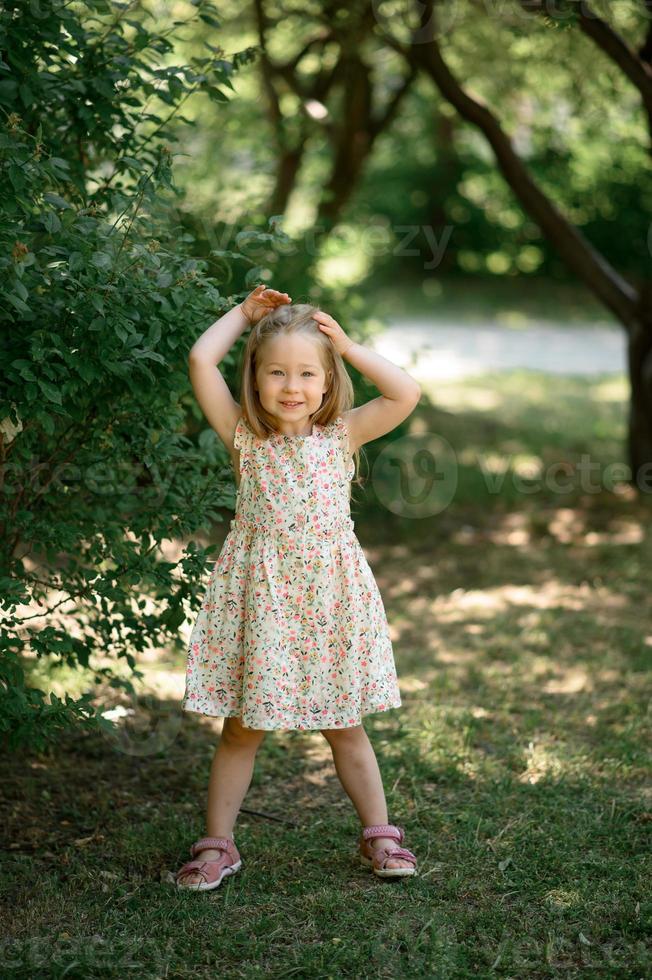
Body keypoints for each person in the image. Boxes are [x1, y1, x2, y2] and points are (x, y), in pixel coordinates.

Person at [175, 285, 422, 890]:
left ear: (329, 381)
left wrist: (349, 346)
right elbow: (201, 361)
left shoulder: (343, 434)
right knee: (241, 727)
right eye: (277, 372)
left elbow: (406, 392)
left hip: (330, 600)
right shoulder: (244, 436)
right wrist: (242, 314)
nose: (293, 386)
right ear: (255, 380)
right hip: (261, 600)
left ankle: (380, 836)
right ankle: (218, 845)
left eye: (309, 373)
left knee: (345, 723)